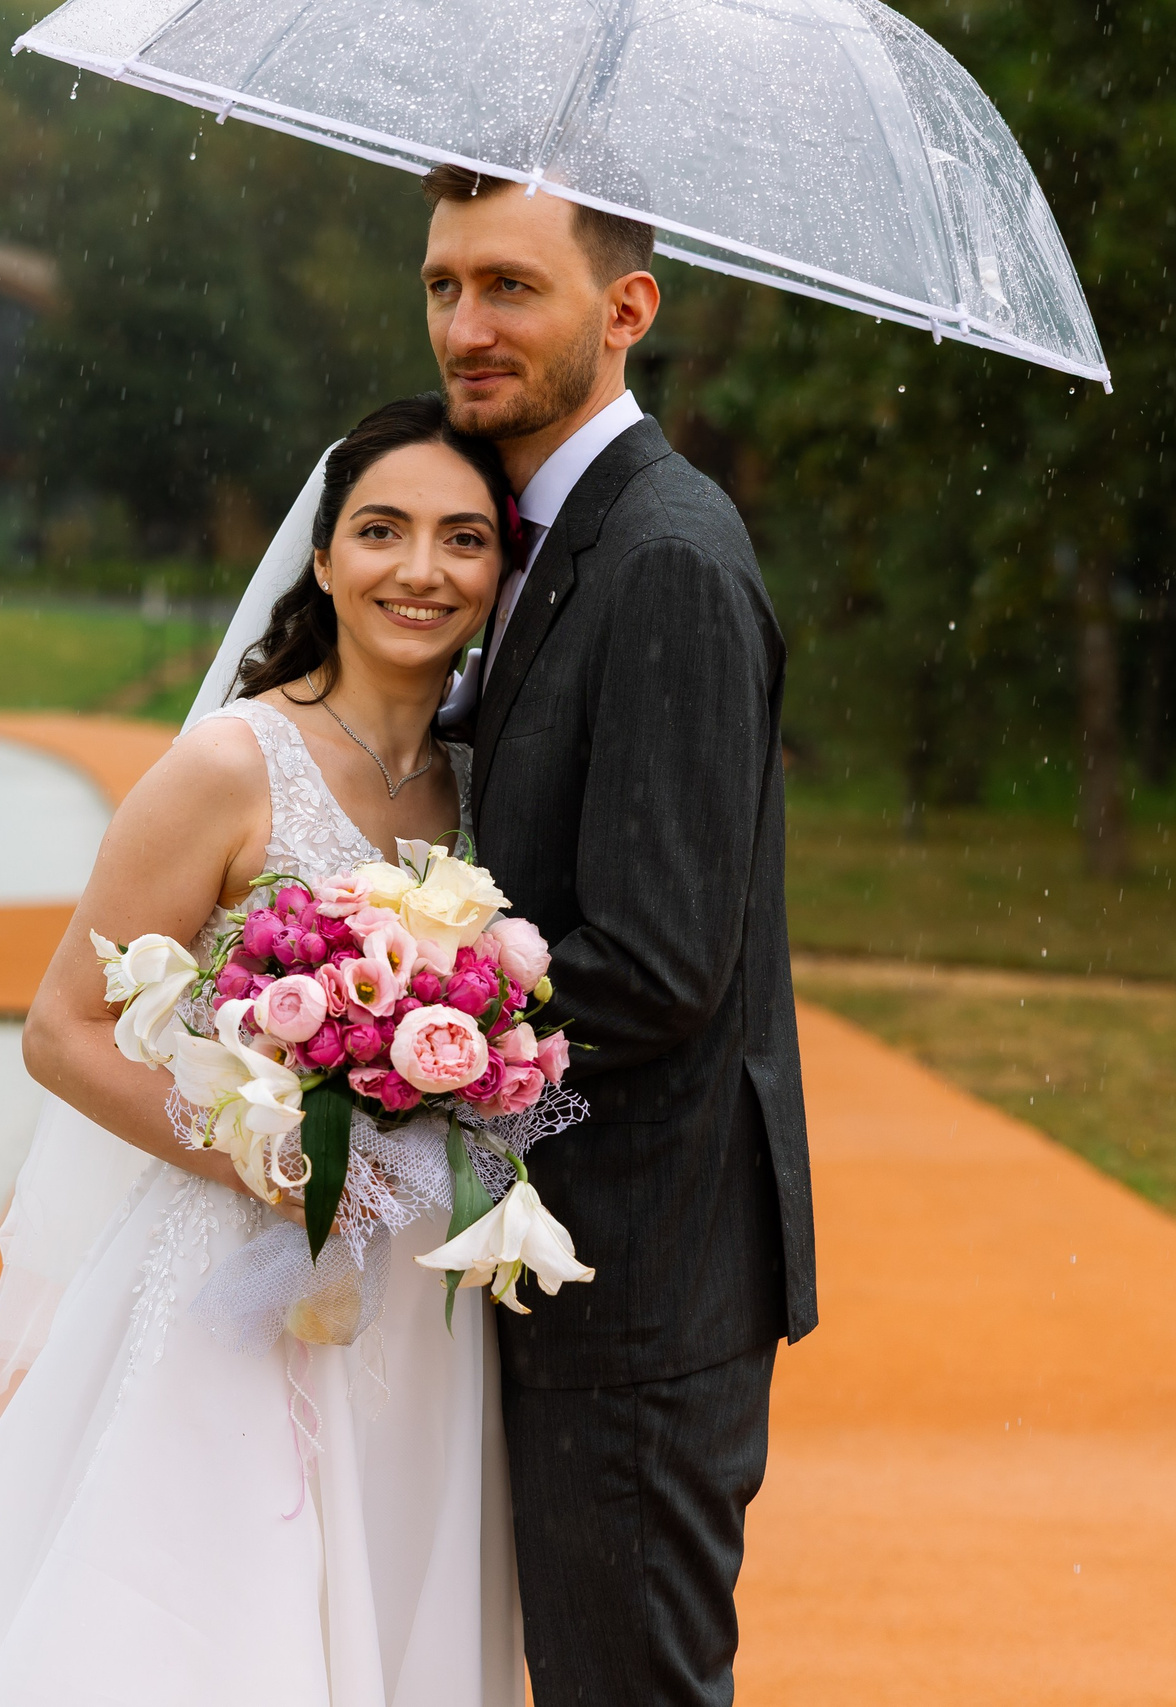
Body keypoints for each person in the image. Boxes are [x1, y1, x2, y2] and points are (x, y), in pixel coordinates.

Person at [0, 394, 529, 1706]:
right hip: (229, 1287)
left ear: (501, 567)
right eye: (382, 530)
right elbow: (62, 1028)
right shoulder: (231, 763)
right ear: (324, 558)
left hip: (417, 1312)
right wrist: (266, 1159)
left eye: (463, 538)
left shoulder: (488, 782)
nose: (422, 570)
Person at [421, 164, 819, 1707]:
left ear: (626, 308)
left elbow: (656, 965)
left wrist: (395, 1038)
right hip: (566, 1244)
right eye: (445, 285)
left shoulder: (665, 556)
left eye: (511, 287)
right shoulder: (527, 534)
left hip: (642, 1268)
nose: (466, 325)